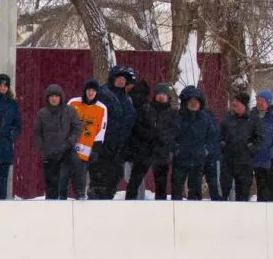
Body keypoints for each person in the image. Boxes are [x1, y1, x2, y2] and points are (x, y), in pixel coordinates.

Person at [89, 65, 137, 199]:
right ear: (112, 78)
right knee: (99, 181)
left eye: (124, 79)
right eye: (119, 78)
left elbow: (130, 121)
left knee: (113, 180)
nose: (121, 81)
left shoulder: (127, 98)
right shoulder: (102, 93)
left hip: (119, 148)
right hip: (102, 146)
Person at [126, 84, 177, 199]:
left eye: (164, 94)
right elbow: (137, 127)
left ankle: (160, 211)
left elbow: (174, 131)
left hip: (162, 153)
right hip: (144, 151)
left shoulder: (172, 113)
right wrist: (149, 136)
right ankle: (128, 206)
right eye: (159, 94)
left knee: (161, 186)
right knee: (134, 182)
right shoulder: (146, 109)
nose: (161, 97)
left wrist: (161, 137)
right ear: (155, 96)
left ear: (168, 97)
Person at [34, 85, 83, 199]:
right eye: (51, 96)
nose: (54, 99)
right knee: (51, 184)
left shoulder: (70, 111)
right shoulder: (42, 113)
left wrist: (70, 142)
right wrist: (42, 147)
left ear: (61, 97)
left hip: (67, 150)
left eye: (56, 96)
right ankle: (52, 208)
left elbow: (77, 128)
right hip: (50, 153)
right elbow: (37, 132)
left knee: (73, 170)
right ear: (48, 98)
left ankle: (80, 193)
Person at [170, 86, 218, 200]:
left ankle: (194, 214)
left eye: (196, 101)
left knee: (195, 191)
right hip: (180, 159)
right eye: (191, 101)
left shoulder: (205, 119)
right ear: (186, 102)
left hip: (198, 160)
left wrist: (206, 150)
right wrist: (176, 149)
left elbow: (213, 137)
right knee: (176, 190)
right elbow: (170, 136)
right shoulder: (178, 118)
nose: (193, 104)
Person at [218, 91, 261, 201]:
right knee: (223, 193)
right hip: (228, 161)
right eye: (234, 101)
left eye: (237, 102)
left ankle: (241, 216)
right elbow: (218, 135)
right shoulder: (226, 117)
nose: (234, 104)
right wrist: (222, 146)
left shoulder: (253, 119)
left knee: (242, 195)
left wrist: (251, 149)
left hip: (244, 163)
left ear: (244, 105)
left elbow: (259, 139)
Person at [252, 89, 273, 202]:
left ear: (268, 103)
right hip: (249, 159)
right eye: (258, 100)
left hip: (264, 161)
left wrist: (270, 153)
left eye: (262, 100)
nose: (259, 103)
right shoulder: (250, 116)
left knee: (263, 192)